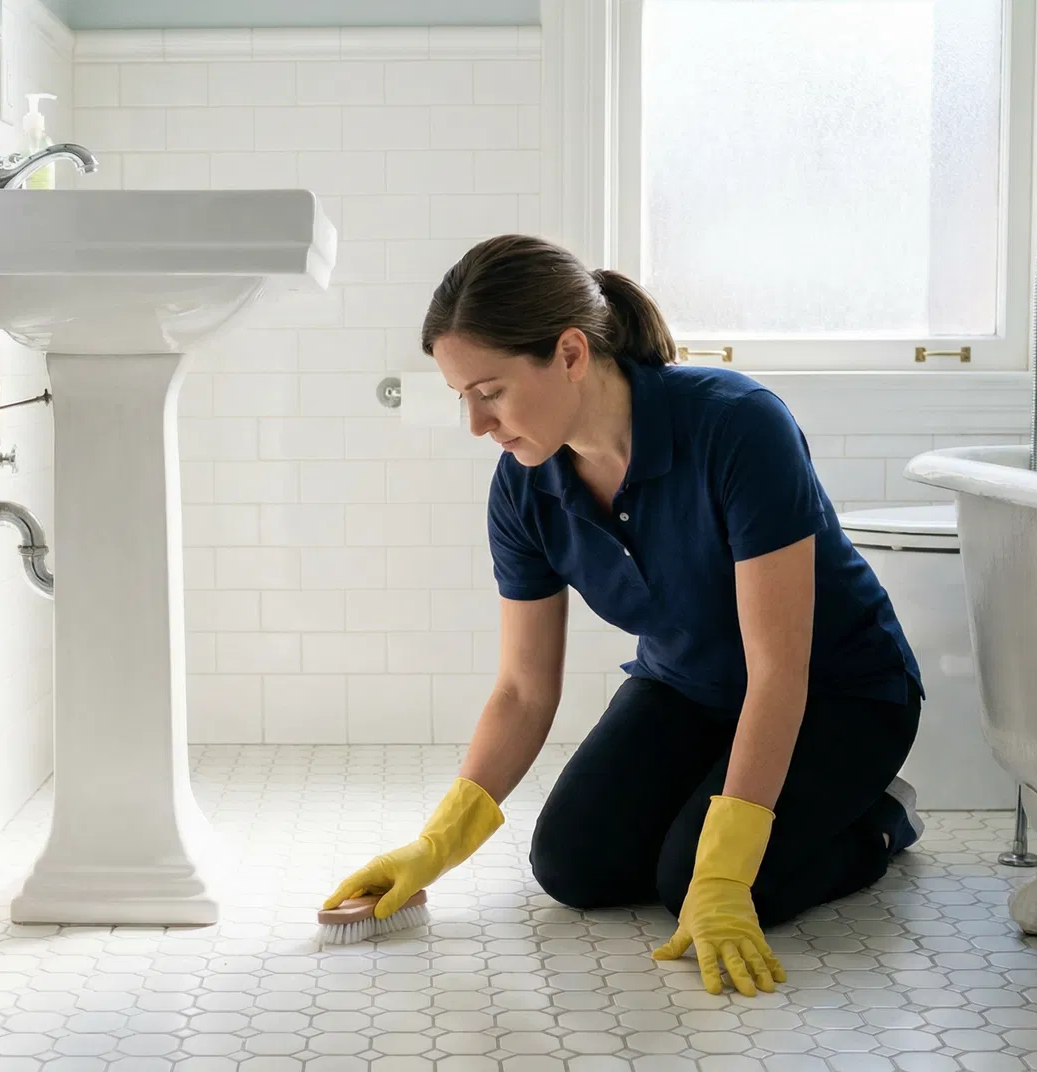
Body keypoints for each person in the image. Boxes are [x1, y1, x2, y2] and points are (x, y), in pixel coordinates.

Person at [323, 234, 926, 996]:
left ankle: (879, 820)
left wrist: (722, 870)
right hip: (688, 689)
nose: (477, 424)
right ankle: (726, 809)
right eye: (461, 397)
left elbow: (780, 670)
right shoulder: (524, 487)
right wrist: (435, 846)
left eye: (491, 391)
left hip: (836, 694)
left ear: (571, 353)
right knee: (571, 865)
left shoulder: (739, 427)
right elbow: (523, 690)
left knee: (700, 880)